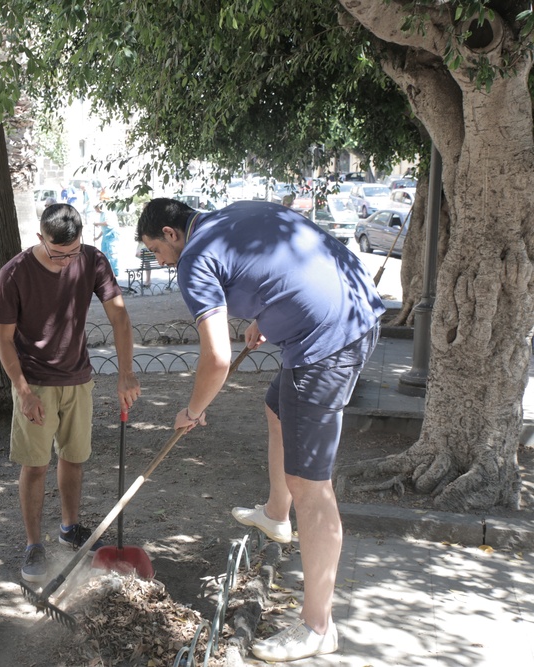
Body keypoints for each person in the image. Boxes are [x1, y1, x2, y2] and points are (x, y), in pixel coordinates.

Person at [136, 198, 385, 663]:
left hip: (328, 339)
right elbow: (282, 260)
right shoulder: (234, 212)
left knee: (311, 486)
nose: (161, 262)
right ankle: (276, 514)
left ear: (171, 234)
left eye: (156, 250)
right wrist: (263, 318)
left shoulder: (194, 260)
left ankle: (317, 626)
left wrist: (193, 409)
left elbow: (216, 359)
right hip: (350, 307)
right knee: (276, 408)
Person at [0, 202, 141, 584]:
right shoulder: (14, 273)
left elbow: (120, 316)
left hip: (78, 379)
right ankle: (33, 544)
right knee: (36, 464)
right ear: (40, 238)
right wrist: (23, 391)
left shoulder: (91, 260)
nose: (66, 261)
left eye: (72, 252)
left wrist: (126, 373)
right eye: (58, 254)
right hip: (35, 384)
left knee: (75, 458)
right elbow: (4, 340)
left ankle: (70, 527)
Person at [92, 202, 118, 276]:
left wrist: (97, 223)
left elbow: (107, 223)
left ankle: (115, 271)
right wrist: (97, 237)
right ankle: (106, 270)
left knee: (112, 252)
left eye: (95, 208)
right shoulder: (101, 215)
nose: (95, 210)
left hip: (111, 234)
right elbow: (104, 229)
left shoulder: (107, 213)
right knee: (104, 253)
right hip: (106, 235)